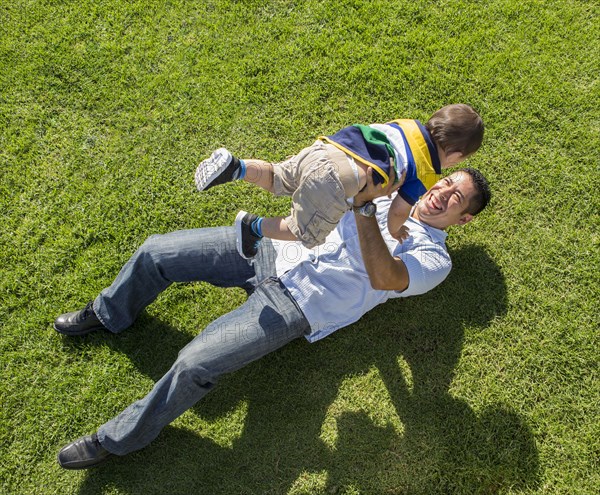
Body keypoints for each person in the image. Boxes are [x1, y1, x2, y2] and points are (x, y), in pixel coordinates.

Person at [54, 165, 491, 469]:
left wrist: (364, 210)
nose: (442, 194)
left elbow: (385, 274)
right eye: (446, 182)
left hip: (296, 304)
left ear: (464, 218)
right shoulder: (392, 190)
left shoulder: (433, 258)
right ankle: (109, 313)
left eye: (456, 198)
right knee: (156, 252)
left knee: (195, 363)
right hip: (269, 248)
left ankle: (115, 440)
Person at [194, 104, 483, 259]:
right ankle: (253, 227)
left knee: (279, 176)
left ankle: (238, 167)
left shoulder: (407, 125)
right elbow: (398, 209)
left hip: (329, 148)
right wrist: (395, 231)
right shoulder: (428, 170)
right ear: (456, 157)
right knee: (304, 232)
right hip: (339, 180)